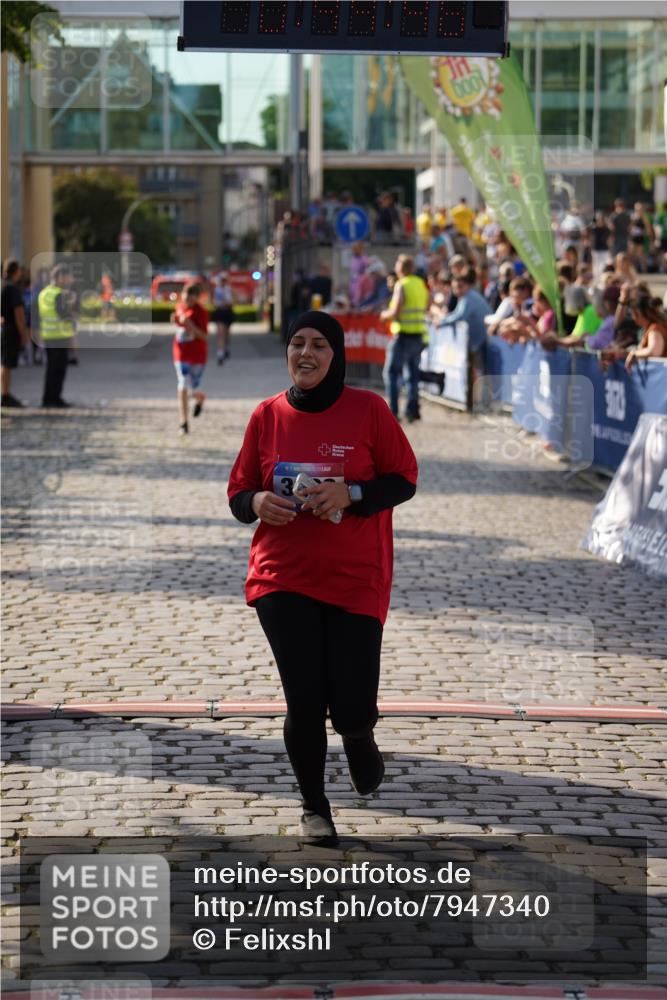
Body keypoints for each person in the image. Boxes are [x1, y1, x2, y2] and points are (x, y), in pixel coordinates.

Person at [227, 310, 418, 844]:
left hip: (357, 577)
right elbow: (238, 494)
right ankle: (314, 805)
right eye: (296, 344)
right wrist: (259, 501)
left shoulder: (370, 411)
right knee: (305, 697)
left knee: (352, 702)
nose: (305, 354)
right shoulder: (266, 415)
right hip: (281, 575)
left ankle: (357, 734)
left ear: (336, 356)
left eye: (318, 346)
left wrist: (352, 494)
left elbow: (404, 479)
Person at [380, 254, 430, 422]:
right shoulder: (421, 284)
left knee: (391, 373)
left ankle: (393, 412)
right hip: (418, 336)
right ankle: (411, 411)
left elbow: (396, 312)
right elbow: (427, 306)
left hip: (403, 335)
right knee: (413, 375)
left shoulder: (402, 285)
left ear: (400, 269)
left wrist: (384, 315)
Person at [38, 263, 77, 408]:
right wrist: (72, 319)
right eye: (68, 277)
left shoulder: (44, 293)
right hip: (60, 336)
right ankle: (55, 398)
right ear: (60, 277)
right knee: (59, 370)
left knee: (51, 369)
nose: (70, 280)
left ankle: (48, 398)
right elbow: (63, 314)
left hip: (48, 336)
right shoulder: (58, 294)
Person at [172, 282, 209, 435]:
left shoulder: (202, 312)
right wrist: (174, 319)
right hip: (180, 353)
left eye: (191, 299)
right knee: (182, 384)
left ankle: (200, 399)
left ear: (197, 298)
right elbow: (177, 324)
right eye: (186, 298)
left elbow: (204, 336)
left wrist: (189, 326)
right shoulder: (180, 307)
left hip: (198, 355)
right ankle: (183, 422)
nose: (188, 301)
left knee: (194, 390)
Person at [1, 260, 30, 407]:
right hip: (11, 331)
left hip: (5, 328)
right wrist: (24, 334)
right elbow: (18, 313)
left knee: (6, 363)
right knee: (7, 364)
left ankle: (5, 394)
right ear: (16, 271)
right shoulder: (12, 289)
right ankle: (4, 395)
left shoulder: (3, 286)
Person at [624, 286, 667, 371]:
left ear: (638, 313)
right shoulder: (650, 328)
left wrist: (634, 354)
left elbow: (654, 351)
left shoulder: (655, 329)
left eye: (633, 313)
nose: (632, 318)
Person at [212, 274, 234, 365]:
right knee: (220, 333)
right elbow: (213, 301)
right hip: (219, 312)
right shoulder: (216, 290)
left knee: (227, 333)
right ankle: (220, 354)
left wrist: (227, 303)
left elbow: (233, 301)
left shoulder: (229, 289)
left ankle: (226, 348)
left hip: (228, 312)